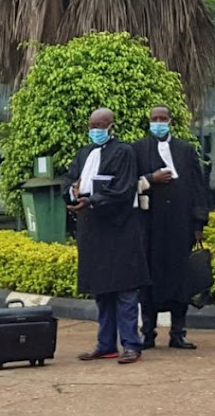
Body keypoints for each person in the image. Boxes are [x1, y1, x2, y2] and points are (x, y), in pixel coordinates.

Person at [63, 108, 150, 365]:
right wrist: (72, 192)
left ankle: (131, 345)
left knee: (124, 288)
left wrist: (92, 199)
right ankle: (105, 344)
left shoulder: (124, 152)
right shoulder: (84, 153)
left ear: (111, 126)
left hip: (119, 228)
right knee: (102, 290)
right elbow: (69, 179)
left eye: (100, 125)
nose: (95, 130)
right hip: (93, 229)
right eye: (92, 125)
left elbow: (123, 188)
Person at [132, 105, 209, 350]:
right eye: (154, 119)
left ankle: (178, 333)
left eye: (162, 119)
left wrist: (198, 222)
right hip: (149, 225)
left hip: (179, 224)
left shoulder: (185, 150)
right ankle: (148, 333)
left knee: (180, 278)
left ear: (170, 121)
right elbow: (129, 182)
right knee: (148, 280)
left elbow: (198, 187)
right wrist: (151, 178)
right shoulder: (138, 149)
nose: (158, 122)